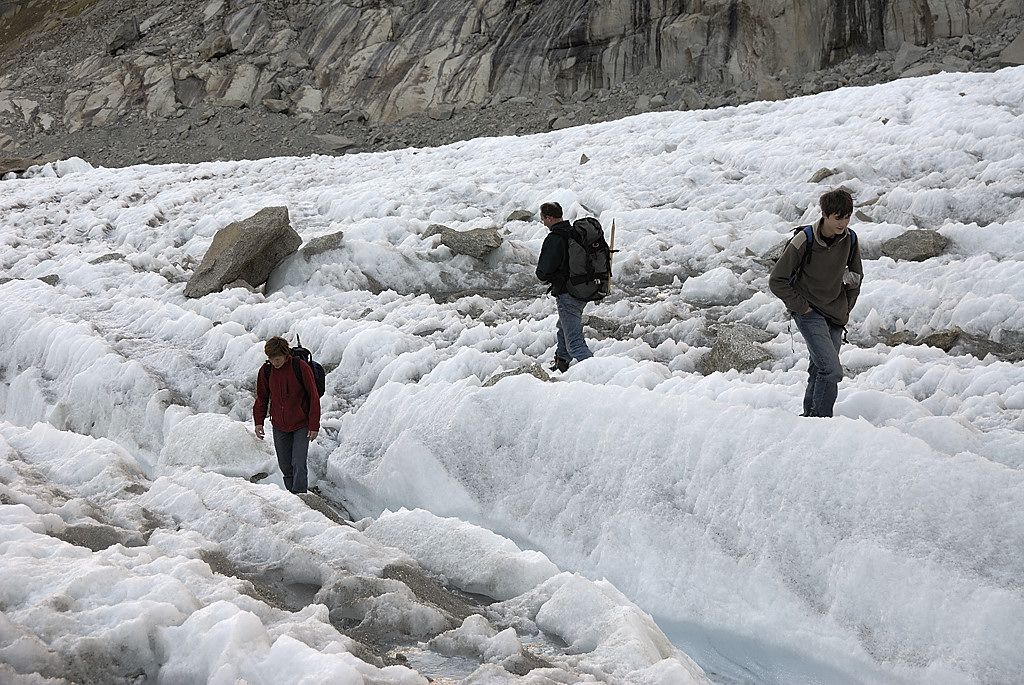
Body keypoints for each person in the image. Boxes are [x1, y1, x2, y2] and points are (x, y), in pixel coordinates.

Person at [769, 189, 863, 417]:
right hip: (808, 311)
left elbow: (855, 278)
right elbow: (777, 281)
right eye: (838, 217)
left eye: (847, 216)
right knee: (831, 370)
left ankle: (809, 419)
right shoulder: (805, 239)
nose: (843, 222)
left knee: (819, 368)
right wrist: (802, 307)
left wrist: (846, 308)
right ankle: (822, 422)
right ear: (824, 215)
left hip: (835, 313)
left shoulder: (850, 239)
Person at [253, 336, 321, 493]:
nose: (275, 363)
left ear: (286, 355)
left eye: (278, 359)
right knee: (285, 465)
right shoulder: (266, 370)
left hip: (301, 424)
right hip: (279, 425)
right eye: (272, 359)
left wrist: (313, 425)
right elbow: (262, 397)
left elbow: (313, 396)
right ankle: (293, 496)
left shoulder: (300, 367)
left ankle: (301, 497)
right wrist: (258, 422)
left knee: (298, 463)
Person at [536, 201, 594, 372]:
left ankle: (596, 374)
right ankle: (561, 363)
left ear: (549, 217)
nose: (544, 223)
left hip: (568, 293)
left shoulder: (555, 238)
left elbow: (543, 271)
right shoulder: (574, 233)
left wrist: (544, 275)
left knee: (575, 342)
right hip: (583, 289)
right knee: (564, 327)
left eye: (543, 219)